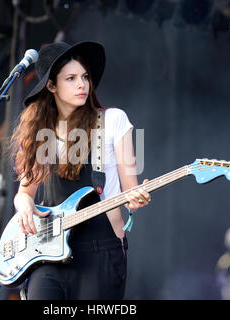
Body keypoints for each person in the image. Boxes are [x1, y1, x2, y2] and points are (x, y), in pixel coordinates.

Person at [9, 41, 151, 300]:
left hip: (100, 251)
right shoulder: (41, 133)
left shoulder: (112, 120)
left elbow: (131, 190)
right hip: (47, 253)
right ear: (52, 86)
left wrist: (137, 197)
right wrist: (25, 206)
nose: (82, 85)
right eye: (71, 78)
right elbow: (24, 193)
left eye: (85, 77)